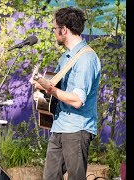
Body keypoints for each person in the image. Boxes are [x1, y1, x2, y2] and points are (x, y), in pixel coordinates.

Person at [30, 7, 101, 180]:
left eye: (55, 28)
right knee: (50, 177)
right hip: (60, 126)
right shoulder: (65, 58)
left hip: (77, 128)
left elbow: (77, 100)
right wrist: (41, 90)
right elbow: (55, 90)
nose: (54, 32)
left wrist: (49, 88)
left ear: (64, 29)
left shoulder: (86, 58)